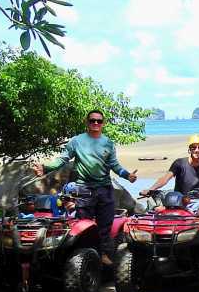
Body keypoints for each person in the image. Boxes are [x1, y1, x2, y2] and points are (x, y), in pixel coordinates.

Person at [33, 109, 137, 266]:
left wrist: (127, 175)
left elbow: (114, 165)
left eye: (99, 121)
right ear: (87, 122)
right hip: (83, 190)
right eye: (92, 120)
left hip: (104, 189)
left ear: (103, 123)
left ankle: (103, 255)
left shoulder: (107, 143)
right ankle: (85, 258)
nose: (96, 123)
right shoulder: (77, 141)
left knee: (105, 227)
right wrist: (46, 168)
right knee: (84, 226)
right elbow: (62, 159)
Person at [140, 134, 199, 217]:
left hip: (198, 202)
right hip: (177, 201)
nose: (197, 150)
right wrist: (150, 189)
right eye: (193, 147)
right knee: (156, 211)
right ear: (189, 149)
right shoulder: (179, 163)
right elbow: (165, 179)